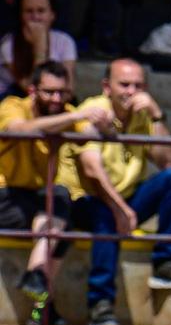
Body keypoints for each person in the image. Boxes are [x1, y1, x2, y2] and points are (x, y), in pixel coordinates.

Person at [60, 59, 171, 325]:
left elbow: (168, 161)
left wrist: (157, 115)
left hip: (127, 197)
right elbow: (91, 170)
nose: (131, 92)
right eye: (124, 84)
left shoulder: (143, 113)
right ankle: (100, 304)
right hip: (86, 199)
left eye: (137, 85)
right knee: (104, 213)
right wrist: (120, 208)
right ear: (106, 87)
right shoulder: (93, 111)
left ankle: (166, 261)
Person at [1, 62, 111, 306]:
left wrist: (105, 124)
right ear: (32, 91)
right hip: (4, 195)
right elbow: (19, 129)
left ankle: (38, 291)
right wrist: (73, 116)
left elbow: (91, 133)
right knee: (60, 215)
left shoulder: (64, 113)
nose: (56, 98)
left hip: (33, 199)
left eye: (62, 92)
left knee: (62, 207)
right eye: (49, 92)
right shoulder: (13, 106)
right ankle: (41, 303)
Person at [0, 0, 78, 96]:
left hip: (53, 100)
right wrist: (40, 46)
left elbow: (69, 89)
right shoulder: (8, 45)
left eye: (41, 11)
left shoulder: (65, 41)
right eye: (29, 11)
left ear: (52, 15)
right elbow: (32, 91)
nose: (35, 17)